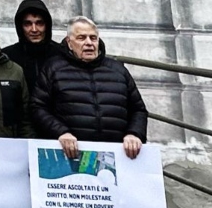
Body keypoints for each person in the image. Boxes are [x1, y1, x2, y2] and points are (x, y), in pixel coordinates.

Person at [31, 16, 147, 160]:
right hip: (70, 155)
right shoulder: (53, 69)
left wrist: (134, 133)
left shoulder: (118, 70)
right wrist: (61, 132)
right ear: (69, 42)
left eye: (93, 38)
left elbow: (138, 109)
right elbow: (38, 107)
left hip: (117, 155)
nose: (88, 43)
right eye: (81, 38)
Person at [2, 0, 64, 95]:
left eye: (39, 23)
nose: (34, 29)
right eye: (28, 24)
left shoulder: (61, 54)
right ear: (20, 27)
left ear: (47, 25)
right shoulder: (7, 56)